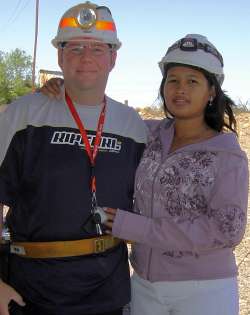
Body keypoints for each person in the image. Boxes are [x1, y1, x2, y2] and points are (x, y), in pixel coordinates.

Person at [0, 2, 147, 315]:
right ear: (59, 55)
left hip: (108, 293)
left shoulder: (134, 127)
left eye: (98, 48)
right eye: (75, 46)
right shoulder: (23, 115)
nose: (86, 56)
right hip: (29, 293)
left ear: (113, 57)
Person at [102, 34, 249, 315]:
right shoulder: (147, 134)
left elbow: (226, 230)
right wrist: (62, 90)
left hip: (204, 290)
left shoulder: (228, 156)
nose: (180, 89)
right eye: (173, 80)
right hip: (144, 284)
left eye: (192, 81)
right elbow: (100, 115)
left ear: (212, 92)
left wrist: (134, 227)